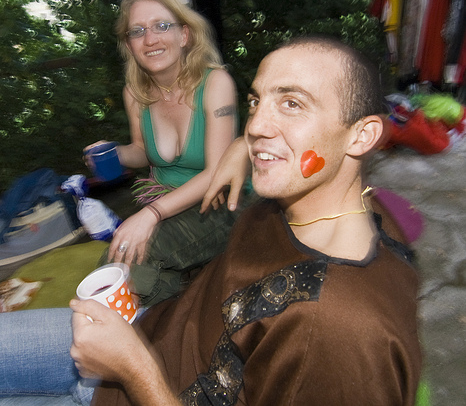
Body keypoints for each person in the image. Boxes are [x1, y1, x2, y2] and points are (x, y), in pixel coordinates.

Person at [0, 36, 421, 405]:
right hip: (143, 330)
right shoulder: (326, 203)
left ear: (362, 135)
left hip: (134, 375)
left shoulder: (338, 330)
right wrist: (241, 148)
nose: (257, 125)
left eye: (292, 103)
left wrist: (134, 369)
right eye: (256, 101)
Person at [85, 0, 242, 307]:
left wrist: (151, 214)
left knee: (124, 258)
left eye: (161, 26)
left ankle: (107, 324)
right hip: (165, 200)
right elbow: (143, 152)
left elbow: (218, 172)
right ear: (129, 45)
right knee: (146, 277)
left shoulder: (216, 83)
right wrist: (115, 153)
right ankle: (157, 322)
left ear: (184, 35)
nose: (150, 39)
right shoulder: (135, 92)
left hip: (217, 205)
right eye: (137, 31)